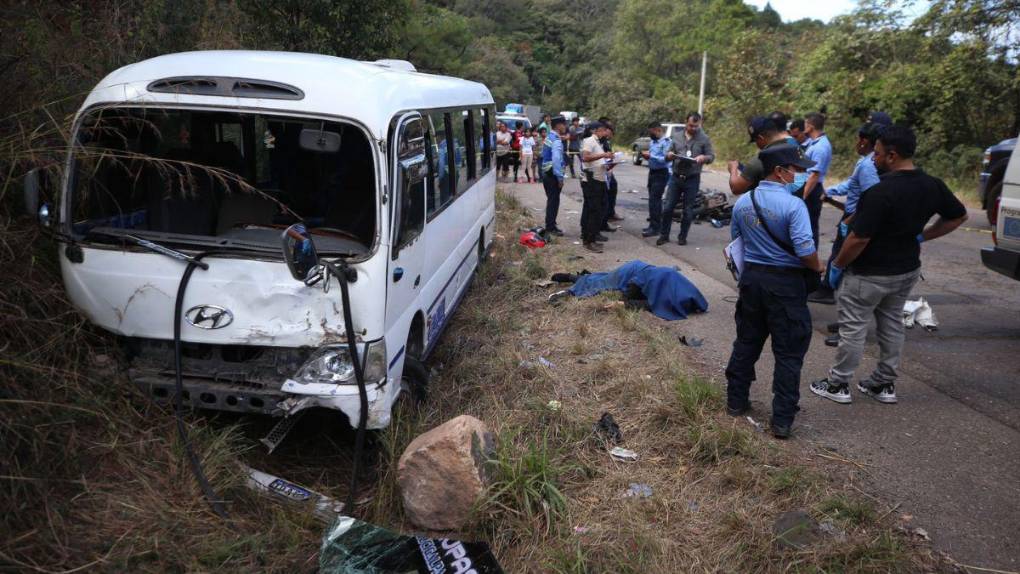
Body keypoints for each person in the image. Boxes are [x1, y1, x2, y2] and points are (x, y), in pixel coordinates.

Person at [810, 126, 968, 405]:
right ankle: (883, 383)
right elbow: (958, 216)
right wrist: (923, 235)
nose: (874, 159)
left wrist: (837, 265)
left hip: (868, 274)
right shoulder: (933, 185)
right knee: (892, 325)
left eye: (878, 154)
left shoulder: (880, 192)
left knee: (853, 328)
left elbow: (859, 238)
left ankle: (838, 384)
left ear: (892, 155)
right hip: (906, 270)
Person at [725, 144, 823, 439]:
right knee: (789, 353)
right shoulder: (794, 206)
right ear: (780, 172)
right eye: (795, 170)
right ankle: (781, 420)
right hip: (786, 284)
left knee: (747, 342)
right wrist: (818, 268)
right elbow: (806, 250)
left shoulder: (744, 201)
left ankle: (735, 401)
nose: (799, 175)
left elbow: (736, 243)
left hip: (752, 280)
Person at [807, 121, 884, 304]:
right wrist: (831, 192)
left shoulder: (868, 165)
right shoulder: (865, 162)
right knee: (838, 254)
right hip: (851, 215)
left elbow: (871, 197)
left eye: (858, 139)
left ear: (864, 141)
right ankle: (830, 293)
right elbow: (852, 184)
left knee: (844, 261)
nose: (856, 143)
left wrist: (850, 220)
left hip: (855, 218)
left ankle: (833, 297)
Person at [657, 112, 714, 246]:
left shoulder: (704, 139)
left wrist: (703, 158)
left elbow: (711, 156)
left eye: (696, 126)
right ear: (685, 122)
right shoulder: (676, 136)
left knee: (688, 211)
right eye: (690, 125)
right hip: (676, 177)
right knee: (667, 208)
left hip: (692, 179)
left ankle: (682, 237)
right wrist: (669, 155)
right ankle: (664, 235)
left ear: (699, 124)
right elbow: (667, 154)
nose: (693, 128)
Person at [727, 116, 794, 196]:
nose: (757, 145)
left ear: (760, 138)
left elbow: (736, 189)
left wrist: (733, 169)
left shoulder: (760, 160)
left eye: (756, 141)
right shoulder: (796, 148)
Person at [580, 121, 614, 252]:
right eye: (603, 131)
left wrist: (609, 161)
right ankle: (588, 240)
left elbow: (597, 160)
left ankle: (592, 238)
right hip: (591, 180)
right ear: (596, 131)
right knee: (593, 210)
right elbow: (586, 157)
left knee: (598, 210)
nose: (605, 133)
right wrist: (603, 155)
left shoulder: (598, 143)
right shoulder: (589, 141)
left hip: (599, 179)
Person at [800, 112, 832, 247]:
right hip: (808, 186)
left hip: (812, 189)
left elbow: (814, 175)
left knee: (810, 226)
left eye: (805, 124)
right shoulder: (815, 143)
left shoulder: (821, 147)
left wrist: (802, 196)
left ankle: (810, 260)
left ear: (810, 126)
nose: (804, 127)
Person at [641, 122, 674, 237]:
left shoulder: (666, 143)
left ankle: (656, 227)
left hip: (661, 173)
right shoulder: (652, 142)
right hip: (653, 172)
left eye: (652, 132)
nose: (650, 135)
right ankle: (652, 225)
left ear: (658, 130)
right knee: (652, 200)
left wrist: (651, 157)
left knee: (655, 200)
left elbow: (666, 159)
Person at [541, 116, 568, 236]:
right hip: (553, 174)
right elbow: (556, 159)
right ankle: (551, 228)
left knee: (551, 200)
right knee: (553, 201)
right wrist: (560, 177)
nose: (565, 127)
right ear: (558, 126)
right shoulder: (556, 140)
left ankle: (551, 224)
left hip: (546, 173)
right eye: (564, 124)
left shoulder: (549, 137)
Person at [600, 120, 623, 231]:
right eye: (608, 129)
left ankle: (608, 216)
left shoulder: (606, 141)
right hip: (600, 173)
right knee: (602, 198)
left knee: (611, 192)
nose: (609, 132)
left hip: (607, 171)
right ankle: (602, 222)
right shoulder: (596, 141)